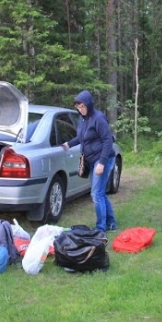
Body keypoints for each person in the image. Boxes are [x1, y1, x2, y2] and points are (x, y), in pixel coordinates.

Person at [62, 90, 117, 233]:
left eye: (83, 107)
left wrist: (102, 163)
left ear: (89, 105)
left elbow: (108, 140)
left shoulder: (98, 118)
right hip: (92, 160)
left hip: (104, 159)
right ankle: (111, 223)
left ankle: (100, 228)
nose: (80, 110)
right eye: (78, 107)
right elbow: (82, 137)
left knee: (96, 194)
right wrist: (69, 144)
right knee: (100, 193)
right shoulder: (83, 119)